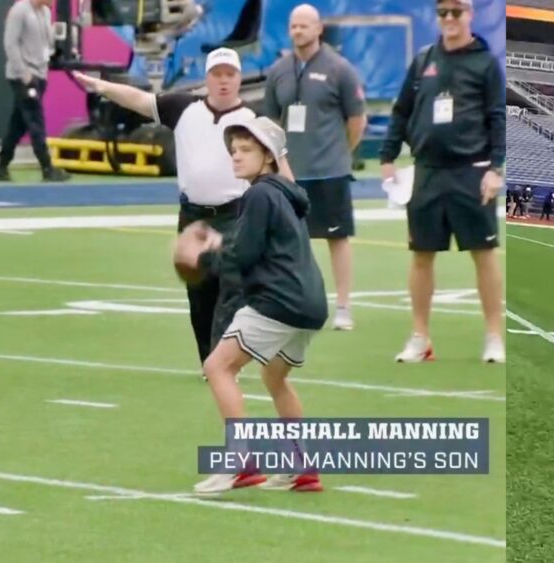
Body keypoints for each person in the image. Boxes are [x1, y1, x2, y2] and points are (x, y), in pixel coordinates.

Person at [74, 49, 277, 379]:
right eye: (217, 74)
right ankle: (208, 361)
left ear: (239, 78)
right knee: (199, 294)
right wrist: (102, 87)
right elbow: (140, 100)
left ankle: (225, 363)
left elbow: (275, 166)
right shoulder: (183, 108)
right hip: (193, 216)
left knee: (232, 288)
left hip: (235, 214)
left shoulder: (254, 121)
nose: (224, 81)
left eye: (230, 74)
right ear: (208, 77)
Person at [186, 116, 328, 493]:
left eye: (246, 150)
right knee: (274, 376)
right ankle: (302, 466)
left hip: (279, 301)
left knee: (217, 366)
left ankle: (240, 463)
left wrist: (204, 256)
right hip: (310, 303)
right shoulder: (282, 192)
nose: (236, 156)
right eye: (234, 150)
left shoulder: (260, 194)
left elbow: (243, 255)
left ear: (268, 156)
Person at [379, 0, 505, 363]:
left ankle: (494, 337)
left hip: (472, 169)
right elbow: (402, 110)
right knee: (422, 255)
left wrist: (495, 169)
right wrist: (388, 155)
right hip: (428, 171)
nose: (449, 19)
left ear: (470, 14)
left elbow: (497, 117)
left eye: (456, 11)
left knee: (484, 254)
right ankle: (420, 337)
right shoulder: (423, 60)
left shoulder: (485, 62)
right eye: (443, 12)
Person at [263, 4, 367, 331]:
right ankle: (294, 302)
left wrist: (340, 152)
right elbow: (270, 121)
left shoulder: (340, 69)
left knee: (338, 239)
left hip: (330, 171)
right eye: (294, 26)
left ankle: (344, 306)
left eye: (304, 26)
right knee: (290, 241)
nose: (298, 31)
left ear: (319, 28)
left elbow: (357, 119)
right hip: (290, 172)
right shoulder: (278, 70)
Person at [0, 0, 70, 182]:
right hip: (23, 77)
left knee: (18, 123)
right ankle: (47, 167)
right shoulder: (19, 10)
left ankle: (2, 166)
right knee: (35, 119)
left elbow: (47, 43)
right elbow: (10, 44)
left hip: (40, 75)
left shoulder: (45, 13)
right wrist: (24, 74)